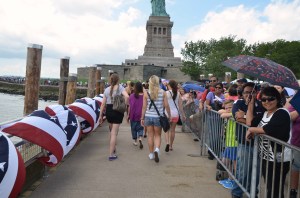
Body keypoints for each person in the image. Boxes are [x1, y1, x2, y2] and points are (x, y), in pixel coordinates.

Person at [246, 87, 291, 198]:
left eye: (271, 98)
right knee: (270, 186)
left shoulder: (282, 113)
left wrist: (252, 130)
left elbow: (268, 129)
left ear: (278, 99)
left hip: (278, 158)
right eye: (264, 99)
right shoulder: (265, 113)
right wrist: (251, 104)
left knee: (275, 189)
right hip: (266, 156)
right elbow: (250, 123)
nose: (267, 102)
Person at [231, 82, 264, 198]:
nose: (249, 95)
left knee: (256, 172)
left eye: (252, 92)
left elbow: (260, 123)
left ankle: (253, 193)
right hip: (244, 143)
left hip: (259, 144)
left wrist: (245, 117)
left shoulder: (262, 104)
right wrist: (251, 122)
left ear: (256, 93)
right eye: (246, 92)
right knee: (243, 171)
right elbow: (239, 119)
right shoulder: (238, 103)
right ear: (242, 93)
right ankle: (236, 193)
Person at [99, 73, 129, 161]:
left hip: (108, 110)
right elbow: (127, 96)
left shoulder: (107, 89)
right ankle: (111, 154)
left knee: (111, 131)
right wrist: (124, 104)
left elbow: (103, 104)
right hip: (117, 111)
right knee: (114, 133)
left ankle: (113, 148)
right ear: (118, 80)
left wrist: (101, 115)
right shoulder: (120, 88)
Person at [141, 75, 171, 163]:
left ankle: (151, 154)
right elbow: (166, 105)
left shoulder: (146, 93)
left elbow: (144, 107)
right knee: (157, 135)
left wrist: (142, 117)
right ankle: (157, 149)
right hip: (158, 117)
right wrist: (169, 115)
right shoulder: (163, 92)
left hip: (148, 116)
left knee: (150, 135)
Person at [217, 100, 238, 189]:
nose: (228, 109)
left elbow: (223, 114)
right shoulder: (231, 114)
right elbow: (220, 112)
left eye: (230, 107)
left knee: (234, 163)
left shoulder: (236, 114)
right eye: (226, 108)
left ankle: (235, 181)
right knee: (227, 161)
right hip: (229, 142)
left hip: (234, 143)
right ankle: (231, 179)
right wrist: (227, 111)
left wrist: (229, 112)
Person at [164, 80, 186, 152]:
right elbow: (180, 106)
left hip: (167, 113)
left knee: (166, 129)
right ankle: (170, 145)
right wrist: (183, 115)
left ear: (169, 85)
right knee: (173, 130)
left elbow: (164, 104)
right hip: (175, 113)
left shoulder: (166, 93)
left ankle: (167, 142)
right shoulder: (178, 93)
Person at [287, 94, 300, 198]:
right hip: (297, 142)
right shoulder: (297, 98)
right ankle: (293, 191)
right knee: (296, 166)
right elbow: (289, 117)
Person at [128, 82, 144, 149]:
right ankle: (140, 137)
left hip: (133, 114)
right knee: (140, 127)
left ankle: (135, 141)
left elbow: (130, 106)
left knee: (133, 128)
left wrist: (128, 115)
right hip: (141, 114)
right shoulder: (144, 96)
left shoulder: (131, 96)